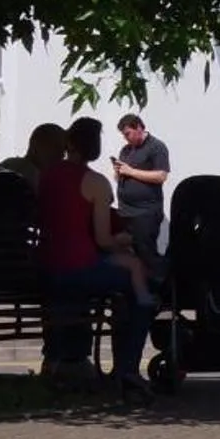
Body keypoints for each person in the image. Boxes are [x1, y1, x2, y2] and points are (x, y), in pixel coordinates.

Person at [35, 116, 153, 397]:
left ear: (70, 143)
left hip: (48, 265)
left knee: (73, 297)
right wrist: (123, 240)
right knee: (141, 294)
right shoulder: (97, 183)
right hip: (79, 267)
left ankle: (60, 360)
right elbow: (103, 239)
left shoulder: (48, 174)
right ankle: (126, 370)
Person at [110, 113, 170, 282]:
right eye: (123, 135)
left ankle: (160, 287)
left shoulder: (156, 147)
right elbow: (121, 175)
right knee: (128, 251)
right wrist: (118, 172)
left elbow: (161, 176)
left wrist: (131, 171)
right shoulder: (126, 150)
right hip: (126, 211)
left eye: (128, 133)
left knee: (146, 253)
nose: (126, 138)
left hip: (145, 212)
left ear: (139, 127)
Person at [0, 122, 67, 187]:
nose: (62, 155)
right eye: (56, 147)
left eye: (63, 150)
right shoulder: (31, 176)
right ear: (36, 145)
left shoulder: (9, 164)